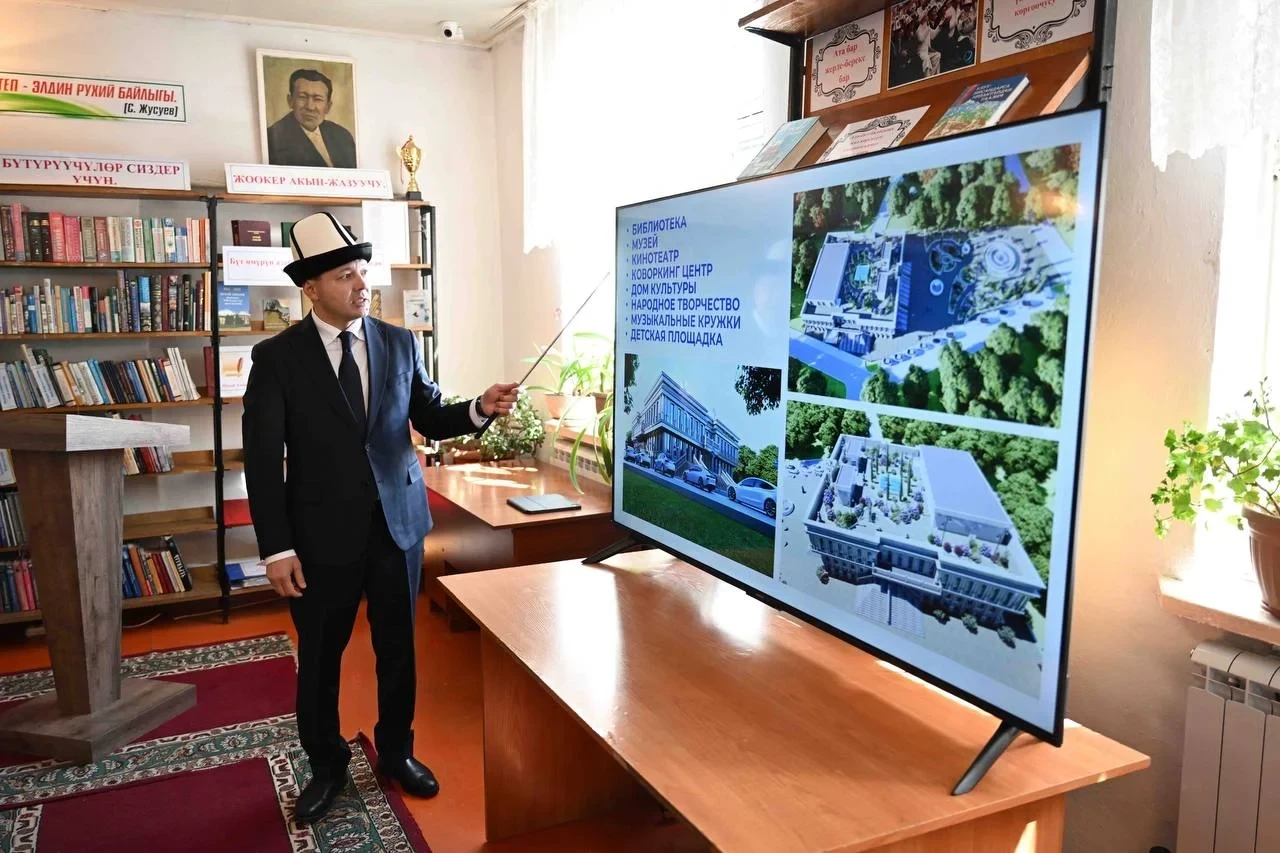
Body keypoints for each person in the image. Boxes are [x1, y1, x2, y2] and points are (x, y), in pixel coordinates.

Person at [242, 211, 517, 824]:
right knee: (321, 659)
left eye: (362, 272)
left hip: (398, 529)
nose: (362, 285)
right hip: (318, 538)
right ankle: (327, 767)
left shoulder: (399, 342)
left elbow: (431, 415)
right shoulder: (276, 359)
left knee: (399, 650)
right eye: (345, 276)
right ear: (310, 288)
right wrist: (276, 548)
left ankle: (397, 753)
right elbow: (261, 462)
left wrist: (479, 408)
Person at [267, 69, 358, 168]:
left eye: (317, 99)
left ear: (328, 106)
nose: (310, 107)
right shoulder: (272, 139)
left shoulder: (343, 136)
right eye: (302, 97)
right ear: (290, 101)